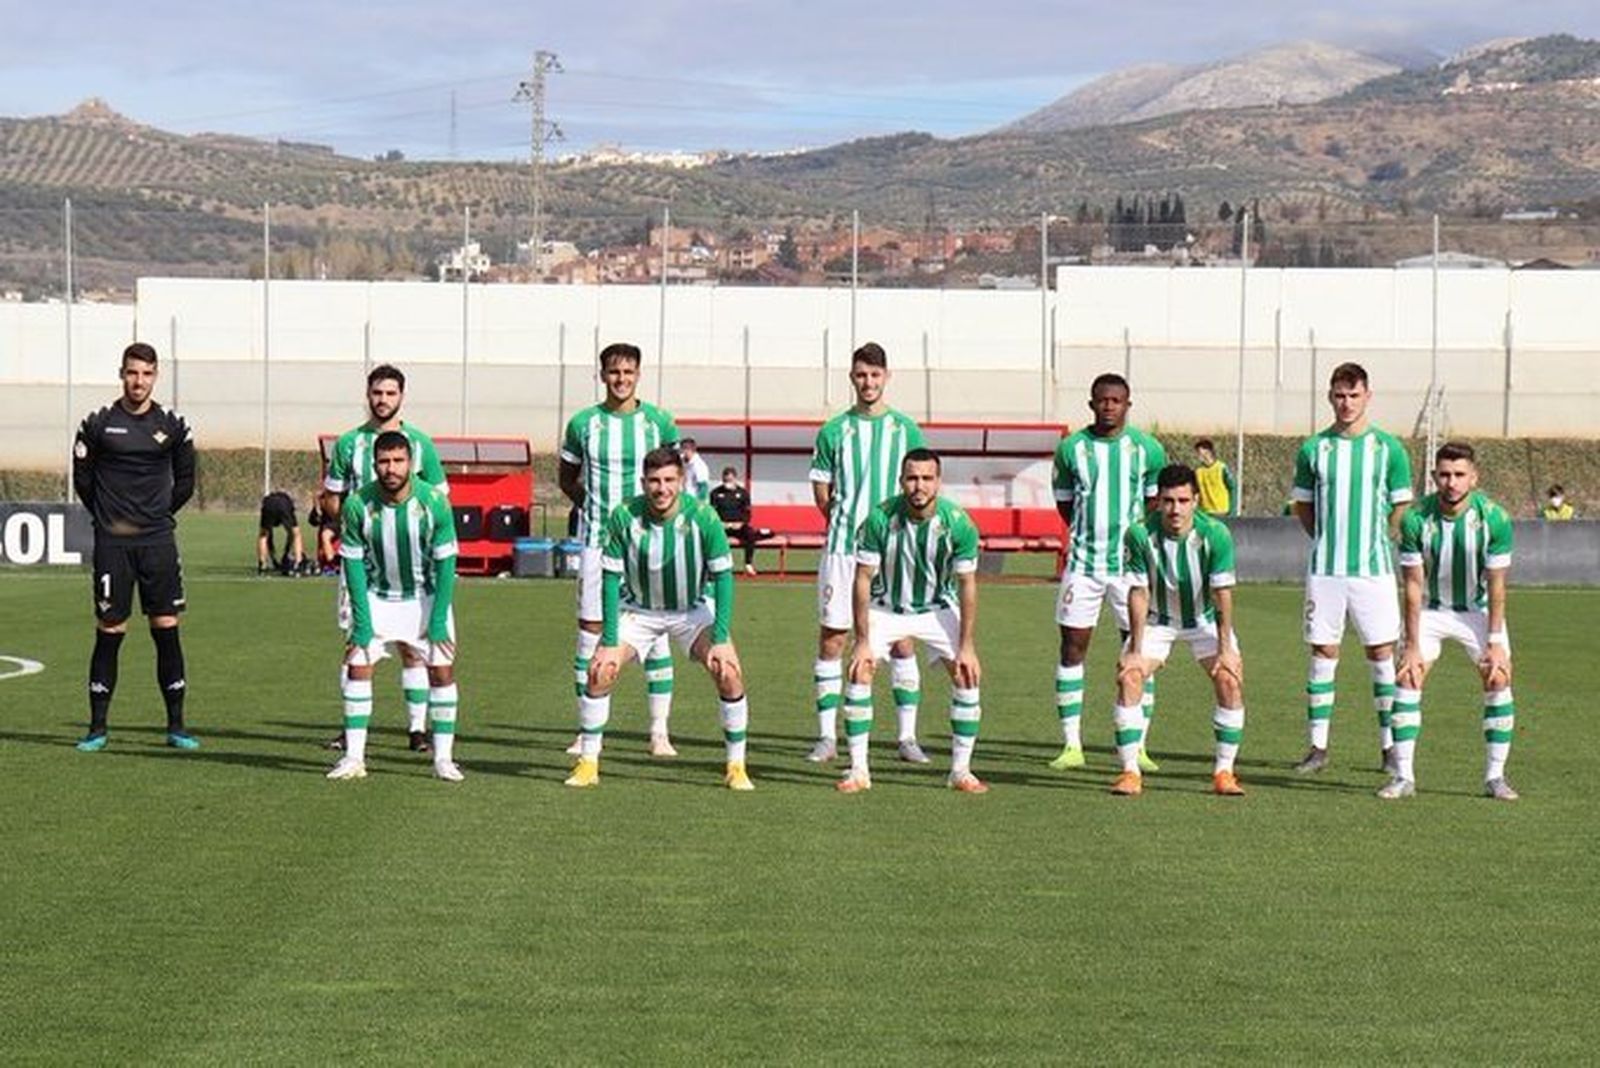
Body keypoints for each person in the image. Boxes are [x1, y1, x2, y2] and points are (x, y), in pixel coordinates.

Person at [567, 447, 753, 791]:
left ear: (681, 481)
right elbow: (610, 580)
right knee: (600, 670)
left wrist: (721, 637)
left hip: (691, 610)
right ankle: (588, 763)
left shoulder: (704, 517)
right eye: (654, 481)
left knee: (728, 671)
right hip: (638, 611)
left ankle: (736, 766)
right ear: (643, 483)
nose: (662, 488)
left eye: (669, 480)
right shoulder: (624, 516)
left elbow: (724, 578)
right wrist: (609, 640)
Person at [72, 342, 198, 752]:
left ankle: (176, 726)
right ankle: (97, 728)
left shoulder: (173, 425)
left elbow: (186, 481)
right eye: (132, 372)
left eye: (145, 374)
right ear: (121, 374)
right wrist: (110, 517)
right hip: (113, 545)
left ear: (155, 376)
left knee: (166, 627)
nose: (138, 381)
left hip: (158, 542)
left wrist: (157, 515)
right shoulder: (97, 424)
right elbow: (83, 480)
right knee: (110, 629)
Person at [840, 448, 988, 794]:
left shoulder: (958, 524)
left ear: (938, 482)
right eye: (912, 478)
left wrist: (967, 646)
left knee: (967, 674)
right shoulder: (879, 519)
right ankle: (859, 771)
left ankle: (960, 771)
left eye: (926, 478)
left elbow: (967, 584)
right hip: (885, 608)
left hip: (936, 608)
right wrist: (861, 640)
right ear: (901, 481)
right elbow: (862, 578)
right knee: (860, 669)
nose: (919, 486)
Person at [808, 342, 928, 765]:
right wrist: (846, 523)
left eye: (875, 375)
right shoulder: (834, 431)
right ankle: (827, 737)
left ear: (886, 377)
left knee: (902, 641)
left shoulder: (906, 430)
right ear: (852, 378)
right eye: (861, 374)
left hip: (895, 553)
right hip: (843, 551)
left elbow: (920, 485)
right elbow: (822, 492)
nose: (868, 382)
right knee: (834, 637)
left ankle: (907, 738)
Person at [559, 342, 682, 758]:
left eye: (628, 372)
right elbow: (567, 479)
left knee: (656, 633)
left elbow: (672, 478)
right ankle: (586, 730)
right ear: (602, 375)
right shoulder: (583, 424)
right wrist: (596, 509)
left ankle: (659, 732)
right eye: (614, 372)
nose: (621, 379)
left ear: (638, 375)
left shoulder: (659, 422)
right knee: (590, 634)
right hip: (597, 543)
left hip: (649, 545)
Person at [1290, 362, 1413, 775]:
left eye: (1354, 395)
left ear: (1367, 396)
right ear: (1330, 397)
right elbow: (1303, 505)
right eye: (1340, 396)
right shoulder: (1314, 448)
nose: (1346, 403)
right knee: (1323, 651)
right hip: (1326, 570)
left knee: (1381, 652)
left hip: (1373, 570)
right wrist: (1326, 539)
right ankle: (1318, 747)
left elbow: (1401, 504)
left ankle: (1390, 747)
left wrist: (1382, 536)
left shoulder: (1388, 448)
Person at [321, 364, 450, 755]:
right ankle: (351, 731)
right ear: (368, 395)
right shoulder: (348, 444)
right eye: (377, 393)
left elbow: (440, 499)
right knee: (356, 643)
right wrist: (341, 524)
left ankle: (417, 729)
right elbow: (332, 497)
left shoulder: (420, 443)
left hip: (411, 563)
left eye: (390, 393)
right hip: (361, 561)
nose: (383, 400)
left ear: (401, 397)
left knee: (413, 648)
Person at [1384, 442, 1519, 801]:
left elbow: (1497, 584)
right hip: (1430, 610)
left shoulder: (1494, 519)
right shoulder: (1415, 518)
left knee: (1498, 677)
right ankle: (1403, 777)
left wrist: (1495, 642)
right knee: (1408, 676)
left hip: (1478, 611)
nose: (1452, 482)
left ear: (1474, 478)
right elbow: (1413, 586)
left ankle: (1495, 777)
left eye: (1460, 475)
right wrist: (1412, 646)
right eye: (1444, 475)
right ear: (1434, 477)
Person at [327, 432, 464, 783]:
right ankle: (353, 758)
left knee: (442, 672)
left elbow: (447, 564)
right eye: (384, 461)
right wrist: (362, 619)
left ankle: (443, 759)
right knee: (358, 667)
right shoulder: (358, 504)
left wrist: (438, 618)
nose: (392, 468)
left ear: (411, 464)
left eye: (398, 461)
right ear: (375, 465)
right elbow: (352, 564)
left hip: (424, 597)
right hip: (378, 595)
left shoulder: (434, 502)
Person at [1049, 372, 1166, 772]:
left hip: (1130, 570)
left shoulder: (1147, 450)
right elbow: (1065, 504)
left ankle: (1139, 746)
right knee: (1072, 648)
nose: (1109, 406)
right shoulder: (1071, 449)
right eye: (1103, 400)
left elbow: (1153, 505)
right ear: (1092, 404)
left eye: (1117, 401)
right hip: (1083, 566)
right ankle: (1071, 744)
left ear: (1128, 405)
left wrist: (1131, 540)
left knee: (1138, 650)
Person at [1110, 464, 1247, 797]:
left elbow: (1222, 594)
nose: (1175, 509)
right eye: (1168, 501)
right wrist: (1135, 649)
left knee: (1229, 679)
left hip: (1203, 620)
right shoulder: (1139, 534)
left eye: (1183, 501)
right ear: (1158, 501)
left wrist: (1226, 648)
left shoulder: (1215, 534)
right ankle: (1130, 772)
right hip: (1158, 620)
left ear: (1196, 501)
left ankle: (1224, 772)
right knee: (1130, 677)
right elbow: (1138, 592)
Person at [709, 466, 773, 575]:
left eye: (730, 480)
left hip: (738, 526)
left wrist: (741, 523)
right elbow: (712, 513)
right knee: (711, 536)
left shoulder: (743, 493)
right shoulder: (715, 493)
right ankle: (713, 566)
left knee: (750, 534)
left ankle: (748, 563)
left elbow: (747, 513)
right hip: (722, 526)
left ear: (735, 479)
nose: (727, 483)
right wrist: (720, 524)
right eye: (725, 480)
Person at [257, 489, 306, 575]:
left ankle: (262, 566)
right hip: (283, 505)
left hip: (269, 505)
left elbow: (268, 537)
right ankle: (298, 564)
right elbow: (292, 534)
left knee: (263, 535)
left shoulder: (269, 500)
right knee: (296, 534)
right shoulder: (287, 502)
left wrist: (281, 555)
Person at [1193, 438, 1237, 517]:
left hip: (1221, 512)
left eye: (1199, 453)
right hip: (1205, 513)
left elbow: (1232, 488)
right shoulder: (1198, 471)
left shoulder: (1221, 468)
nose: (1197, 456)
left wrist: (1232, 510)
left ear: (1208, 453)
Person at [679, 437, 712, 502]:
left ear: (692, 450)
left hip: (693, 499)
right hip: (682, 497)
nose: (683, 452)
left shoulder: (699, 465)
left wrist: (699, 503)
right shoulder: (681, 460)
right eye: (682, 449)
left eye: (685, 449)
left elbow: (703, 487)